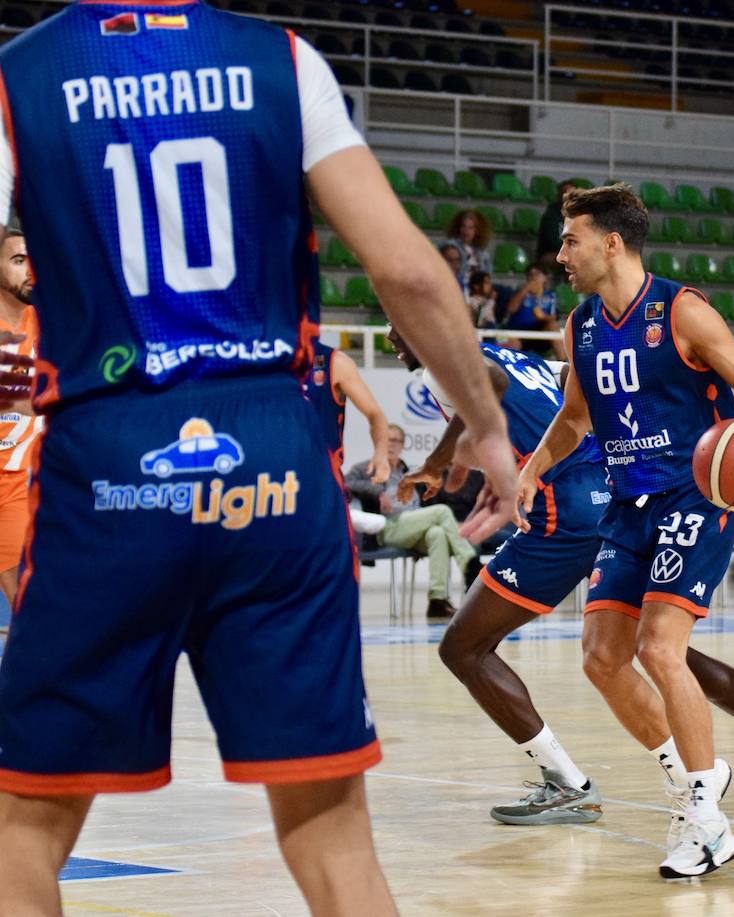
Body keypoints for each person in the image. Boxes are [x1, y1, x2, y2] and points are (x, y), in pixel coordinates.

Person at [0, 5, 516, 914]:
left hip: (110, 450)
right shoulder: (279, 60)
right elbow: (407, 271)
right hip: (273, 454)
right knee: (330, 834)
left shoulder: (21, 74)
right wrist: (485, 426)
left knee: (22, 830)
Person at [388, 328, 734, 828]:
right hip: (608, 497)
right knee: (654, 644)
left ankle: (572, 784)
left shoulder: (447, 360)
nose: (396, 335)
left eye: (398, 319)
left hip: (565, 514)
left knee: (463, 648)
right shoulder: (508, 353)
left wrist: (437, 463)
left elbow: (483, 382)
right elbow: (567, 377)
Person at [506, 183, 734, 880]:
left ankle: (706, 818)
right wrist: (534, 467)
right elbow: (576, 417)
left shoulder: (682, 311)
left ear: (611, 242)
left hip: (697, 495)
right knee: (602, 657)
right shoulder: (581, 325)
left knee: (663, 648)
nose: (561, 253)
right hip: (628, 505)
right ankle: (697, 779)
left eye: (571, 239)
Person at [347, 425, 475, 620]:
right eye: (386, 440)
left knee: (437, 535)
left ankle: (437, 601)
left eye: (395, 441)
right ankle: (471, 567)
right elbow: (346, 483)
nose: (390, 445)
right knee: (441, 512)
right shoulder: (366, 468)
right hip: (386, 526)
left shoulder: (408, 470)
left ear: (402, 445)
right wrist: (377, 492)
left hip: (413, 524)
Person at [0, 230, 38, 608]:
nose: (29, 270)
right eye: (17, 260)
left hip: (11, 483)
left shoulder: (43, 321)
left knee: (26, 599)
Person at [303, 337, 390, 480]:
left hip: (320, 476)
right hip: (270, 476)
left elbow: (375, 414)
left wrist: (381, 453)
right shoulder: (260, 362)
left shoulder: (334, 361)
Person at [502, 265, 565, 360]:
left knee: (553, 326)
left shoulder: (550, 296)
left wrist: (543, 317)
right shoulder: (518, 292)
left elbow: (553, 317)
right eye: (530, 275)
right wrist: (525, 290)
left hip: (540, 334)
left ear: (545, 278)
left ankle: (563, 363)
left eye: (537, 274)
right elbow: (511, 309)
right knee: (510, 340)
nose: (533, 278)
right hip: (519, 332)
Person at [535, 179, 579, 276]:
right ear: (559, 196)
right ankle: (568, 289)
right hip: (551, 253)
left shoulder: (579, 215)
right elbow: (554, 241)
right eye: (565, 194)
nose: (569, 197)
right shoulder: (551, 215)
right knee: (571, 259)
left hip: (572, 251)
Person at [443, 208, 493, 293]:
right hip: (457, 288)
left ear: (476, 231)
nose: (466, 231)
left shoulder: (482, 253)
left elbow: (487, 275)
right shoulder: (451, 246)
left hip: (476, 290)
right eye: (463, 226)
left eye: (470, 228)